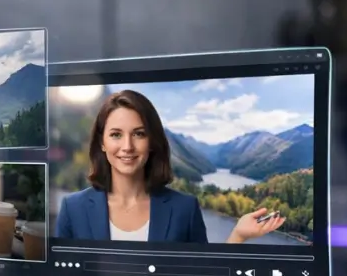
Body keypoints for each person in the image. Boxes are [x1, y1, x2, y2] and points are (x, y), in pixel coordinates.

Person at [55, 90, 285, 244]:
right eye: (116, 134)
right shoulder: (73, 209)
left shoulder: (184, 209)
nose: (127, 146)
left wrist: (238, 235)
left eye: (139, 134)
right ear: (102, 143)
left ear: (152, 142)